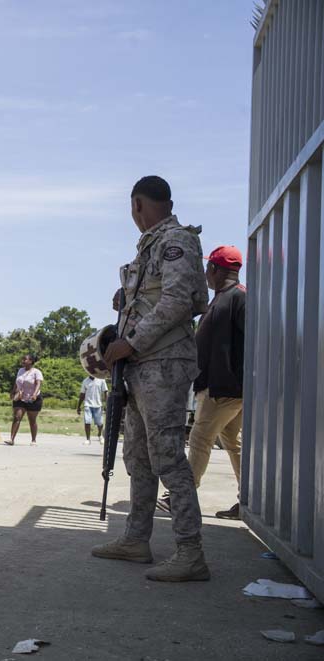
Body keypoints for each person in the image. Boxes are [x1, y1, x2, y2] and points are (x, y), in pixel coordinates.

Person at [91, 175, 210, 582]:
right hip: (143, 365)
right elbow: (162, 294)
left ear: (137, 205)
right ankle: (136, 539)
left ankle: (190, 551)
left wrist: (132, 341)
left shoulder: (176, 240)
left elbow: (180, 301)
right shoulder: (152, 245)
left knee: (167, 458)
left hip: (163, 363)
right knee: (138, 457)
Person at [158, 246, 245, 519]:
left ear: (215, 269)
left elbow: (252, 344)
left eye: (209, 268)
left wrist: (235, 381)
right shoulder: (220, 299)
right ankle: (250, 500)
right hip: (218, 386)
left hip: (225, 388)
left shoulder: (240, 298)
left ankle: (182, 497)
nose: (206, 273)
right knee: (232, 440)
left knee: (199, 437)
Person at [8, 354, 43, 446]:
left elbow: (38, 384)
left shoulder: (36, 372)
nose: (23, 361)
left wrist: (34, 394)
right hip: (20, 397)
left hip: (33, 398)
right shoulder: (20, 370)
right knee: (17, 417)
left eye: (25, 359)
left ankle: (33, 440)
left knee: (32, 420)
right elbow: (17, 382)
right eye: (22, 359)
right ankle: (11, 439)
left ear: (31, 361)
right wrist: (12, 392)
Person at [77, 375, 108, 445]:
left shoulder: (101, 380)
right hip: (88, 404)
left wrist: (107, 404)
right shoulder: (85, 381)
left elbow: (105, 392)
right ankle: (88, 439)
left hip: (98, 405)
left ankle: (100, 435)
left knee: (100, 423)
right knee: (87, 422)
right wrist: (78, 406)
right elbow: (82, 394)